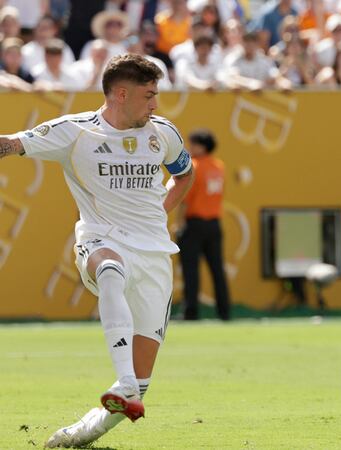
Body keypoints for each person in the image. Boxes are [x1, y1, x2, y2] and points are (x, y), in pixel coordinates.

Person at [0, 54, 194, 448]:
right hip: (100, 239)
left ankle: (80, 433)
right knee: (109, 269)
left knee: (140, 386)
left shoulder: (163, 132)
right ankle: (123, 380)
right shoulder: (75, 131)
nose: (155, 104)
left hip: (154, 254)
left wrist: (160, 210)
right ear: (122, 93)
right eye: (149, 95)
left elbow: (185, 173)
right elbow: (11, 144)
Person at [177, 129, 231, 321]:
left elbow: (184, 199)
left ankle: (191, 312)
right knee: (217, 269)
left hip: (195, 223)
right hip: (214, 223)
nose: (189, 148)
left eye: (193, 144)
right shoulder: (219, 166)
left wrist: (179, 223)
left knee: (191, 270)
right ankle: (224, 311)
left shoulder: (194, 166)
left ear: (202, 146)